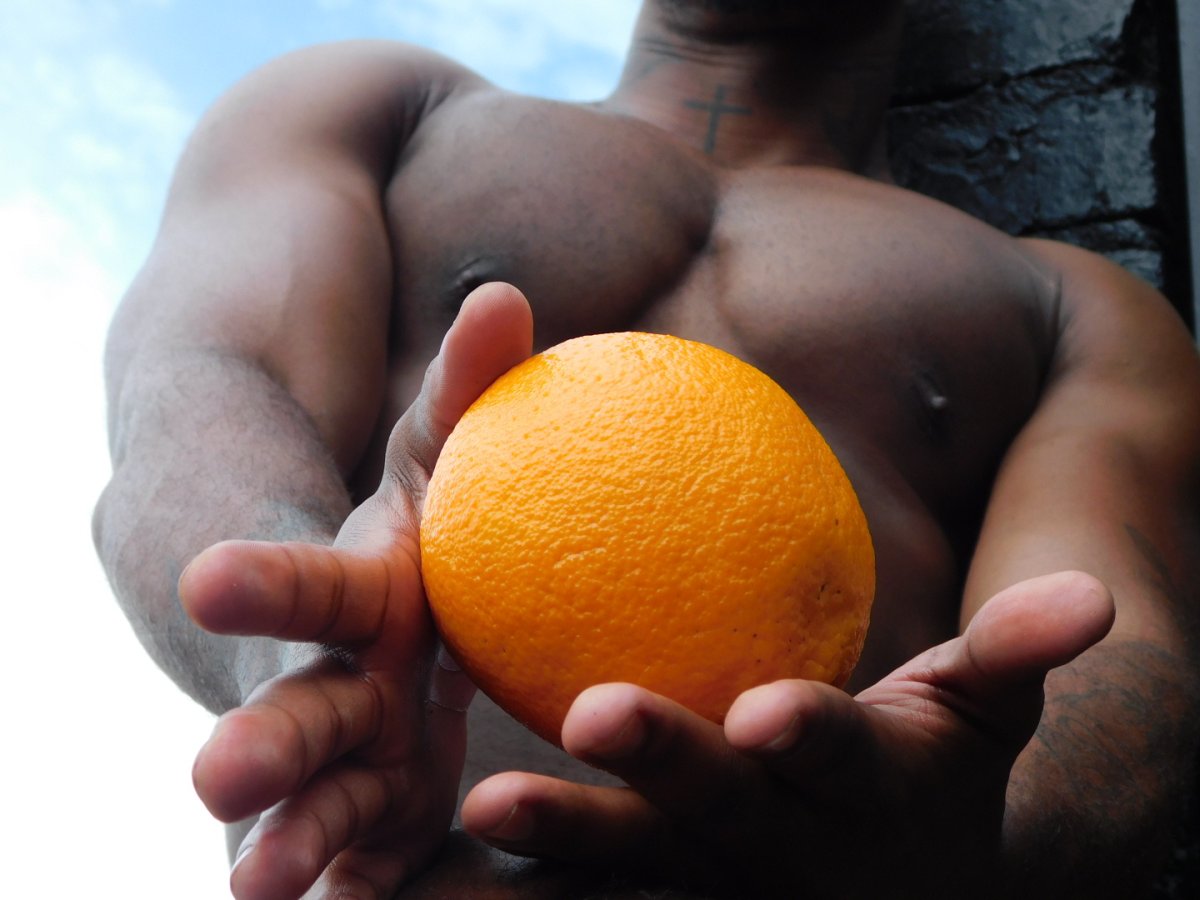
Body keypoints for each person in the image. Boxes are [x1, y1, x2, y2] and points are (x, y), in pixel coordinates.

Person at [93, 1, 1200, 897]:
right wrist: (309, 653)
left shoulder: (1065, 303)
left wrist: (980, 852)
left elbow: (1123, 640)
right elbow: (198, 378)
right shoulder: (381, 105)